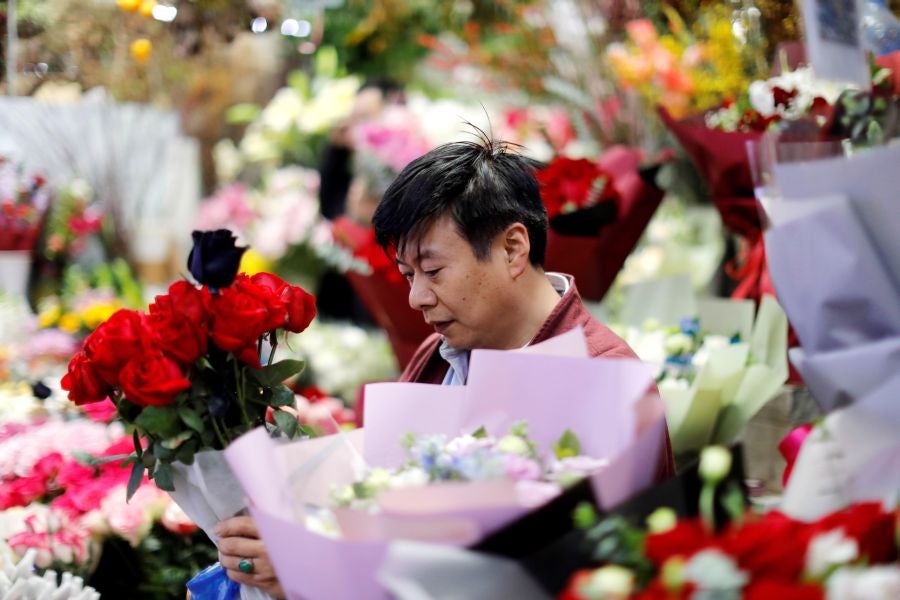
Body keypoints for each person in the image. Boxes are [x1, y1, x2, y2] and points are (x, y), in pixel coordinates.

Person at [214, 134, 675, 596]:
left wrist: (317, 567)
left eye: (432, 272)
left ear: (513, 249)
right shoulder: (438, 354)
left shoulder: (605, 380)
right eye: (408, 275)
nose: (416, 298)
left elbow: (609, 571)